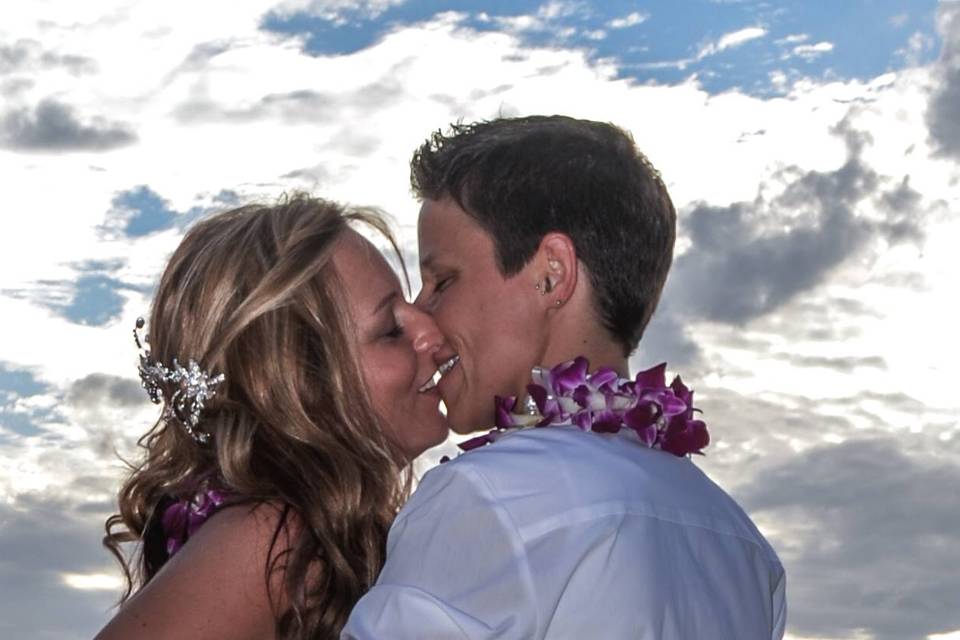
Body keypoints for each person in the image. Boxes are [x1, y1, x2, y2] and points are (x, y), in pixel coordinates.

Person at [342, 116, 787, 639]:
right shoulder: (741, 545)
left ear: (551, 273)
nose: (423, 315)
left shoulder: (490, 497)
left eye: (442, 280)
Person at [96, 194, 449, 640]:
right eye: (392, 330)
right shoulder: (272, 540)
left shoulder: (328, 534)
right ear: (302, 383)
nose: (432, 333)